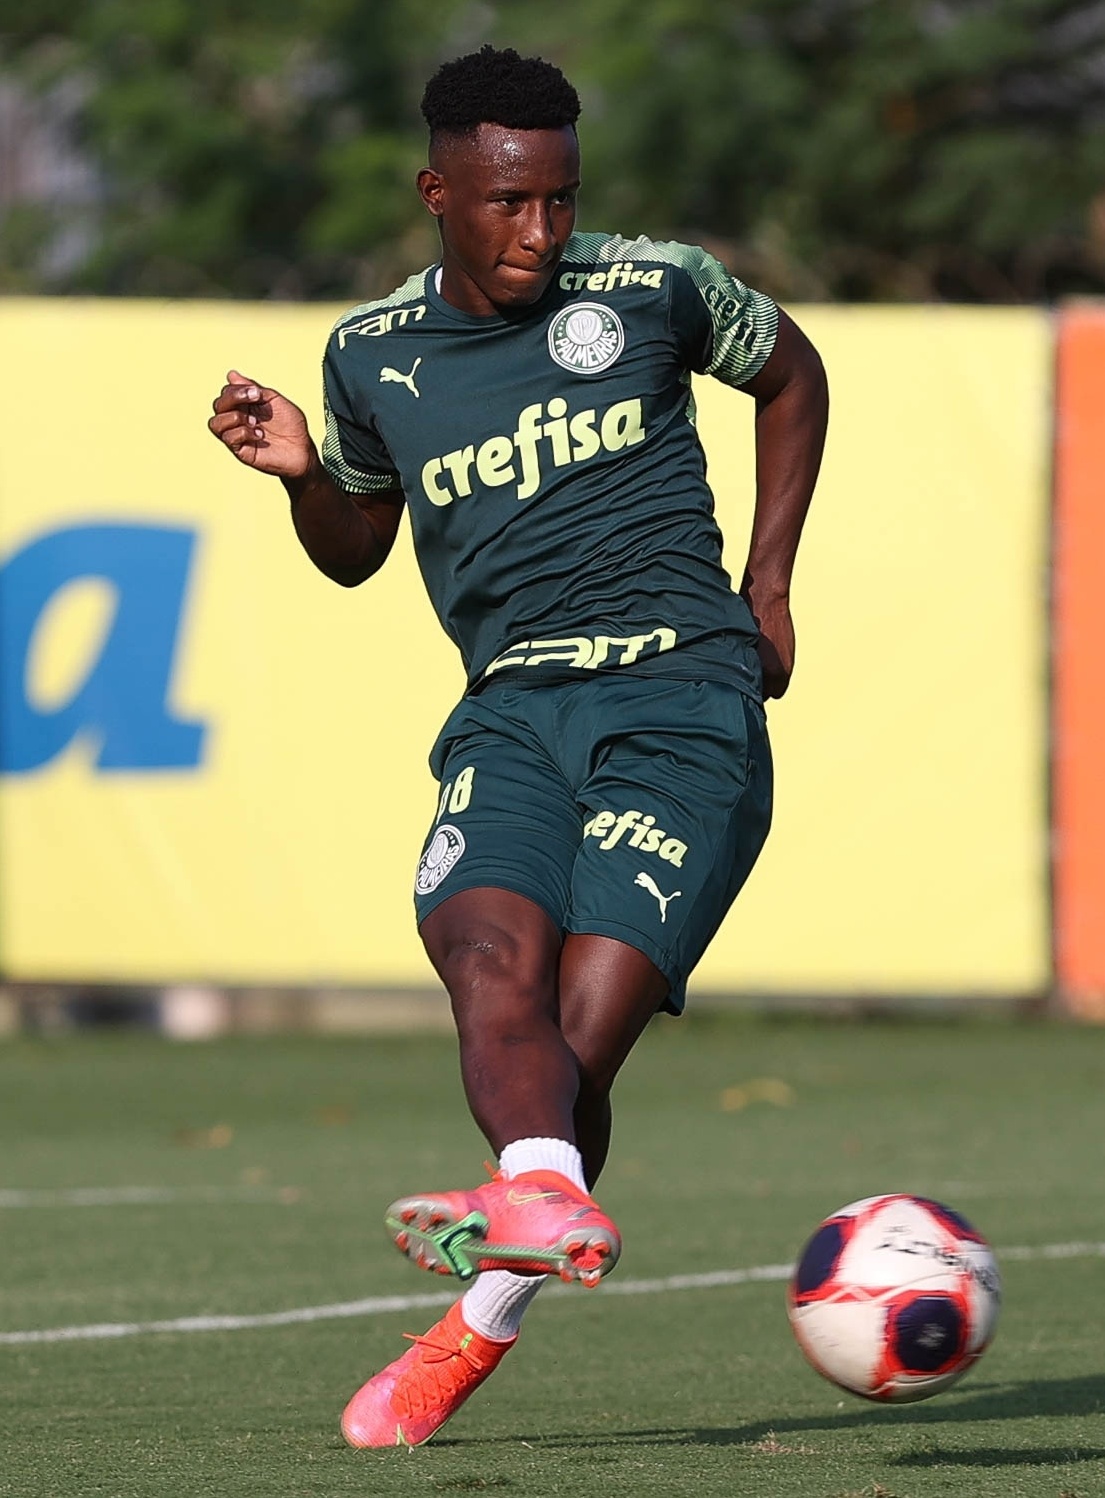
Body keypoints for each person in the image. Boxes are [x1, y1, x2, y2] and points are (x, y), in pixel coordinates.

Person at [208, 44, 827, 1449]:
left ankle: (471, 1327)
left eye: (558, 199)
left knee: (575, 1040)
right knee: (488, 964)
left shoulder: (655, 287)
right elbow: (358, 551)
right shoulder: (371, 354)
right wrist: (308, 470)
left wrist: (772, 583)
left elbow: (794, 374)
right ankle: (539, 1192)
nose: (540, 233)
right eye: (507, 203)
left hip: (683, 699)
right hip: (511, 706)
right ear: (441, 191)